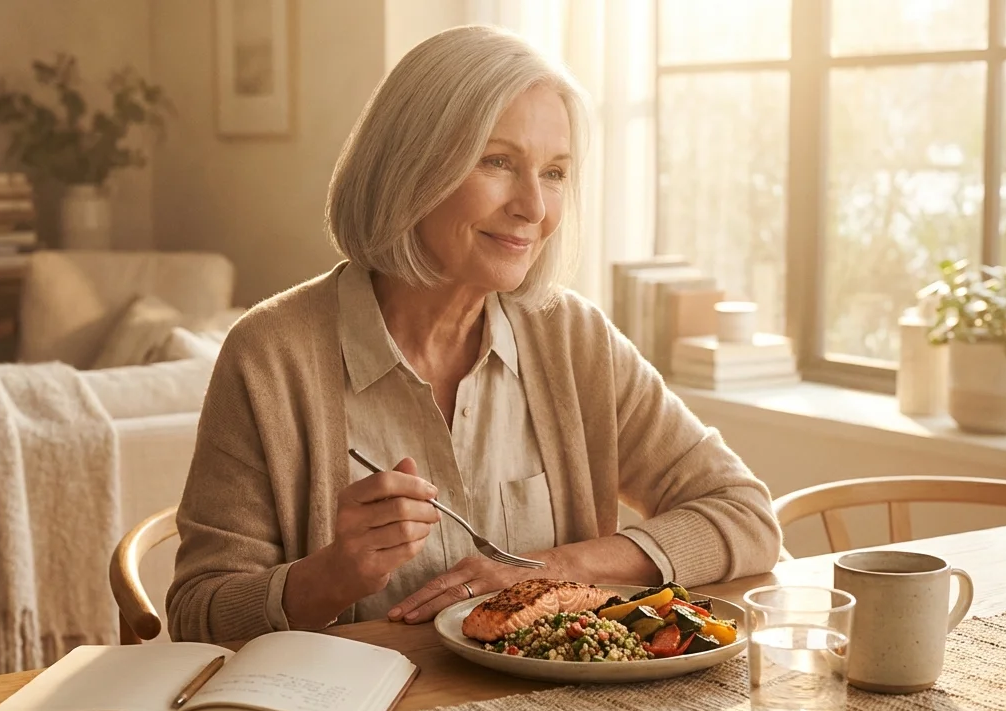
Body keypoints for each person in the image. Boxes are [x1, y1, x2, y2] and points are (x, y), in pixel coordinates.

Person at [165, 25, 780, 643]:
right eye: (498, 162)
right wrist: (329, 576)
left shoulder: (574, 341)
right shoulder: (269, 356)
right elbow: (197, 614)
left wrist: (556, 570)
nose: (534, 208)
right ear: (410, 169)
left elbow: (745, 514)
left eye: (556, 173)